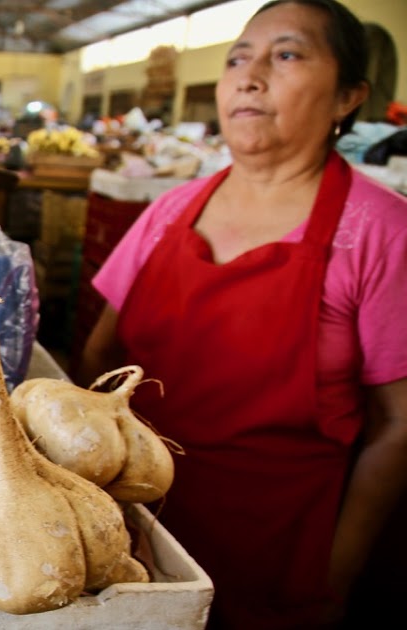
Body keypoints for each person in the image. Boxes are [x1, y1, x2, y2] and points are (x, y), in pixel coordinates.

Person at [80, 1, 407, 627]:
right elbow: (99, 358)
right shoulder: (169, 211)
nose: (249, 76)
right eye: (238, 58)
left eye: (286, 55)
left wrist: (334, 578)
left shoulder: (379, 231)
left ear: (348, 97)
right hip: (136, 533)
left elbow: (398, 426)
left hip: (281, 547)